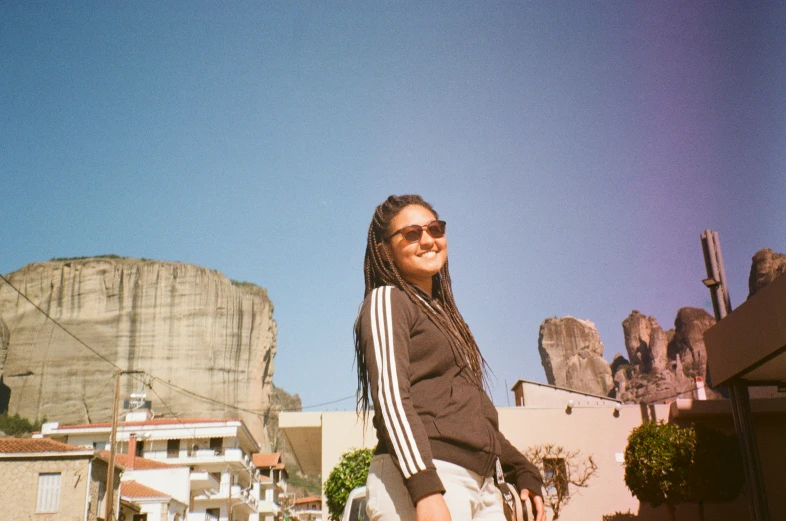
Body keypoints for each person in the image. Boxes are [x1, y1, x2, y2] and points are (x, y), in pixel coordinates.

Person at [354, 195, 545, 521]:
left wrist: (521, 468)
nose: (428, 239)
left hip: (481, 484)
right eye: (412, 233)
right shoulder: (388, 300)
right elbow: (391, 400)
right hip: (427, 477)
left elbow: (471, 417)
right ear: (385, 249)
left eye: (435, 229)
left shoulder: (448, 320)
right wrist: (425, 488)